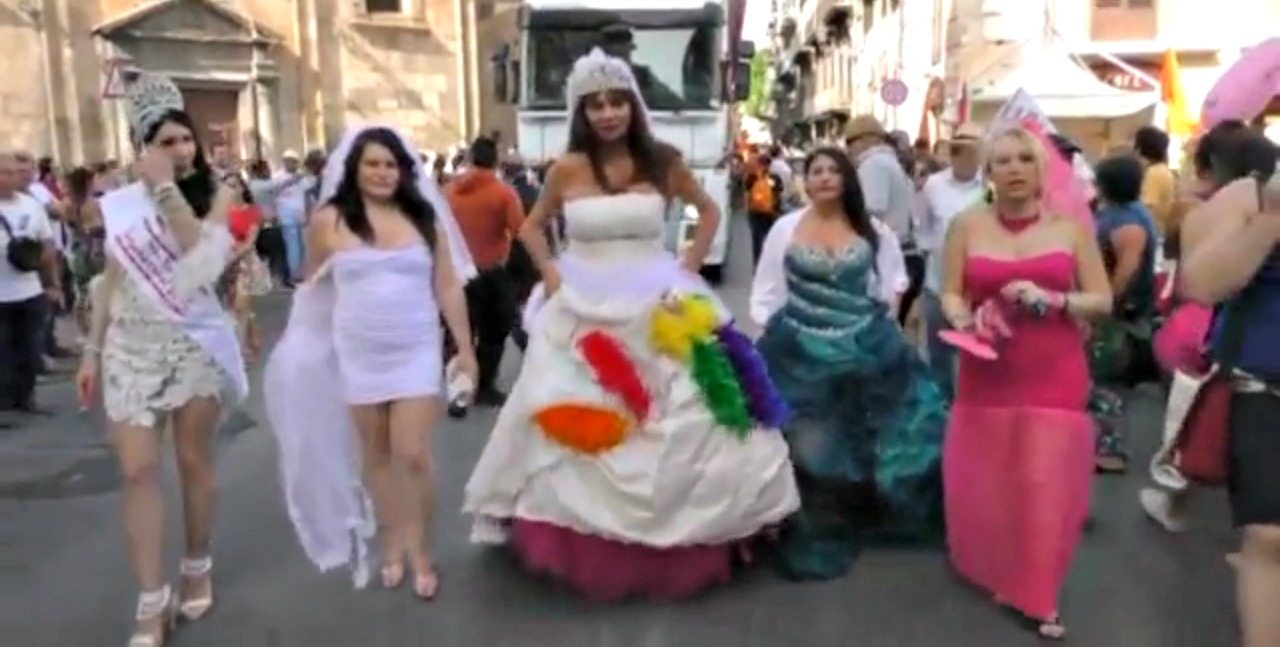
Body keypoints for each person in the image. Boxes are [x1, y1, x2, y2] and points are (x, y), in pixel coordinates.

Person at [462, 48, 799, 601]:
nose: (607, 113)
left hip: (658, 296)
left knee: (696, 408)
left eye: (616, 102)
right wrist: (550, 273)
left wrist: (689, 266)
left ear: (633, 106)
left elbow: (710, 211)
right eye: (595, 105)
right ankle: (581, 534)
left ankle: (702, 528)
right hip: (583, 301)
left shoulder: (663, 161)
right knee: (572, 409)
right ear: (582, 112)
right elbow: (530, 226)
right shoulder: (568, 168)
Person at [264, 125, 478, 600]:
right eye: (372, 164)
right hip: (358, 353)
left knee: (412, 453)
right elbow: (312, 285)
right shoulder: (330, 221)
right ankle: (392, 538)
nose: (382, 173)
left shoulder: (423, 219)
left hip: (415, 350)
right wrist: (303, 348)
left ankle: (421, 547)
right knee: (376, 455)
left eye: (390, 164)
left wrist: (465, 349)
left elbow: (447, 286)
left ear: (404, 171)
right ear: (354, 170)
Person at [73, 72, 248, 647]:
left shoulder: (218, 193)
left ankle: (197, 561)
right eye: (165, 141)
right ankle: (151, 599)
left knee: (193, 460)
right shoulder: (123, 204)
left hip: (192, 343)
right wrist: (92, 349)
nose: (180, 149)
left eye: (184, 138)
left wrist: (168, 189)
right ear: (142, 146)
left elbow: (201, 260)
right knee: (136, 472)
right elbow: (110, 280)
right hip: (130, 346)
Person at [939, 125, 1111, 639]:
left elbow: (1101, 299)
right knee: (995, 478)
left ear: (1042, 170)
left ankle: (1038, 594)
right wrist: (963, 316)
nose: (1014, 169)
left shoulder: (1070, 229)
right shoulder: (966, 225)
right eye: (1003, 160)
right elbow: (950, 291)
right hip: (987, 367)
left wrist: (1055, 299)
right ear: (988, 173)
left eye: (1025, 159)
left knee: (1042, 479)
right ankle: (999, 566)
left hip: (1053, 368)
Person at [749, 147, 946, 581]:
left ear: (846, 180)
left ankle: (870, 511)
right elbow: (767, 287)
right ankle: (815, 516)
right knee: (810, 444)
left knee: (883, 429)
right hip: (800, 347)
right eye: (815, 171)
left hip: (865, 341)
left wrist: (883, 322)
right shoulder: (784, 228)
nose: (823, 177)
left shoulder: (872, 229)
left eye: (832, 171)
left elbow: (893, 278)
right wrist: (769, 335)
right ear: (805, 181)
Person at [1178, 122, 1280, 647]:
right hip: (1265, 389)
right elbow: (1201, 283)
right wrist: (1272, 218)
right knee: (1269, 536)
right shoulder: (1253, 194)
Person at [1088, 154, 1158, 473]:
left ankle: (1111, 452)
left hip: (1120, 317)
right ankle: (1103, 445)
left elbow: (1126, 273)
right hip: (1118, 313)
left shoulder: (1128, 223)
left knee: (1108, 381)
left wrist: (1105, 302)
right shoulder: (1123, 213)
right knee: (1103, 379)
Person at [444, 136, 524, 406]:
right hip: (490, 271)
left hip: (455, 273)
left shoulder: (449, 191)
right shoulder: (503, 193)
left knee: (458, 332)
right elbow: (519, 230)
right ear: (496, 160)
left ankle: (458, 386)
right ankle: (485, 385)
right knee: (493, 333)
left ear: (470, 159)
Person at [915, 123, 986, 398]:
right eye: (961, 151)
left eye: (973, 152)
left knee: (976, 354)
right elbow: (922, 229)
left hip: (978, 289)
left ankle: (972, 405)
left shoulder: (990, 188)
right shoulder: (933, 186)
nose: (967, 158)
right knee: (939, 355)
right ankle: (942, 407)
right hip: (938, 283)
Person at [844, 115, 920, 325]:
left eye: (850, 142)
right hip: (903, 254)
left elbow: (871, 212)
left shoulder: (874, 165)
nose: (848, 149)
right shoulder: (890, 162)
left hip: (885, 259)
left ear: (865, 139)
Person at [0, 152, 61, 414]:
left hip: (28, 289)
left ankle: (26, 396)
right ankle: (5, 401)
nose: (12, 177)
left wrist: (53, 283)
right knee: (3, 351)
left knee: (29, 346)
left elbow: (47, 245)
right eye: (5, 173)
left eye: (14, 172)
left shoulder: (30, 206)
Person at [1133, 126, 1177, 238]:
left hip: (1152, 234)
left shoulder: (1154, 174)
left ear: (1139, 149)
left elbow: (1149, 210)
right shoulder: (1162, 170)